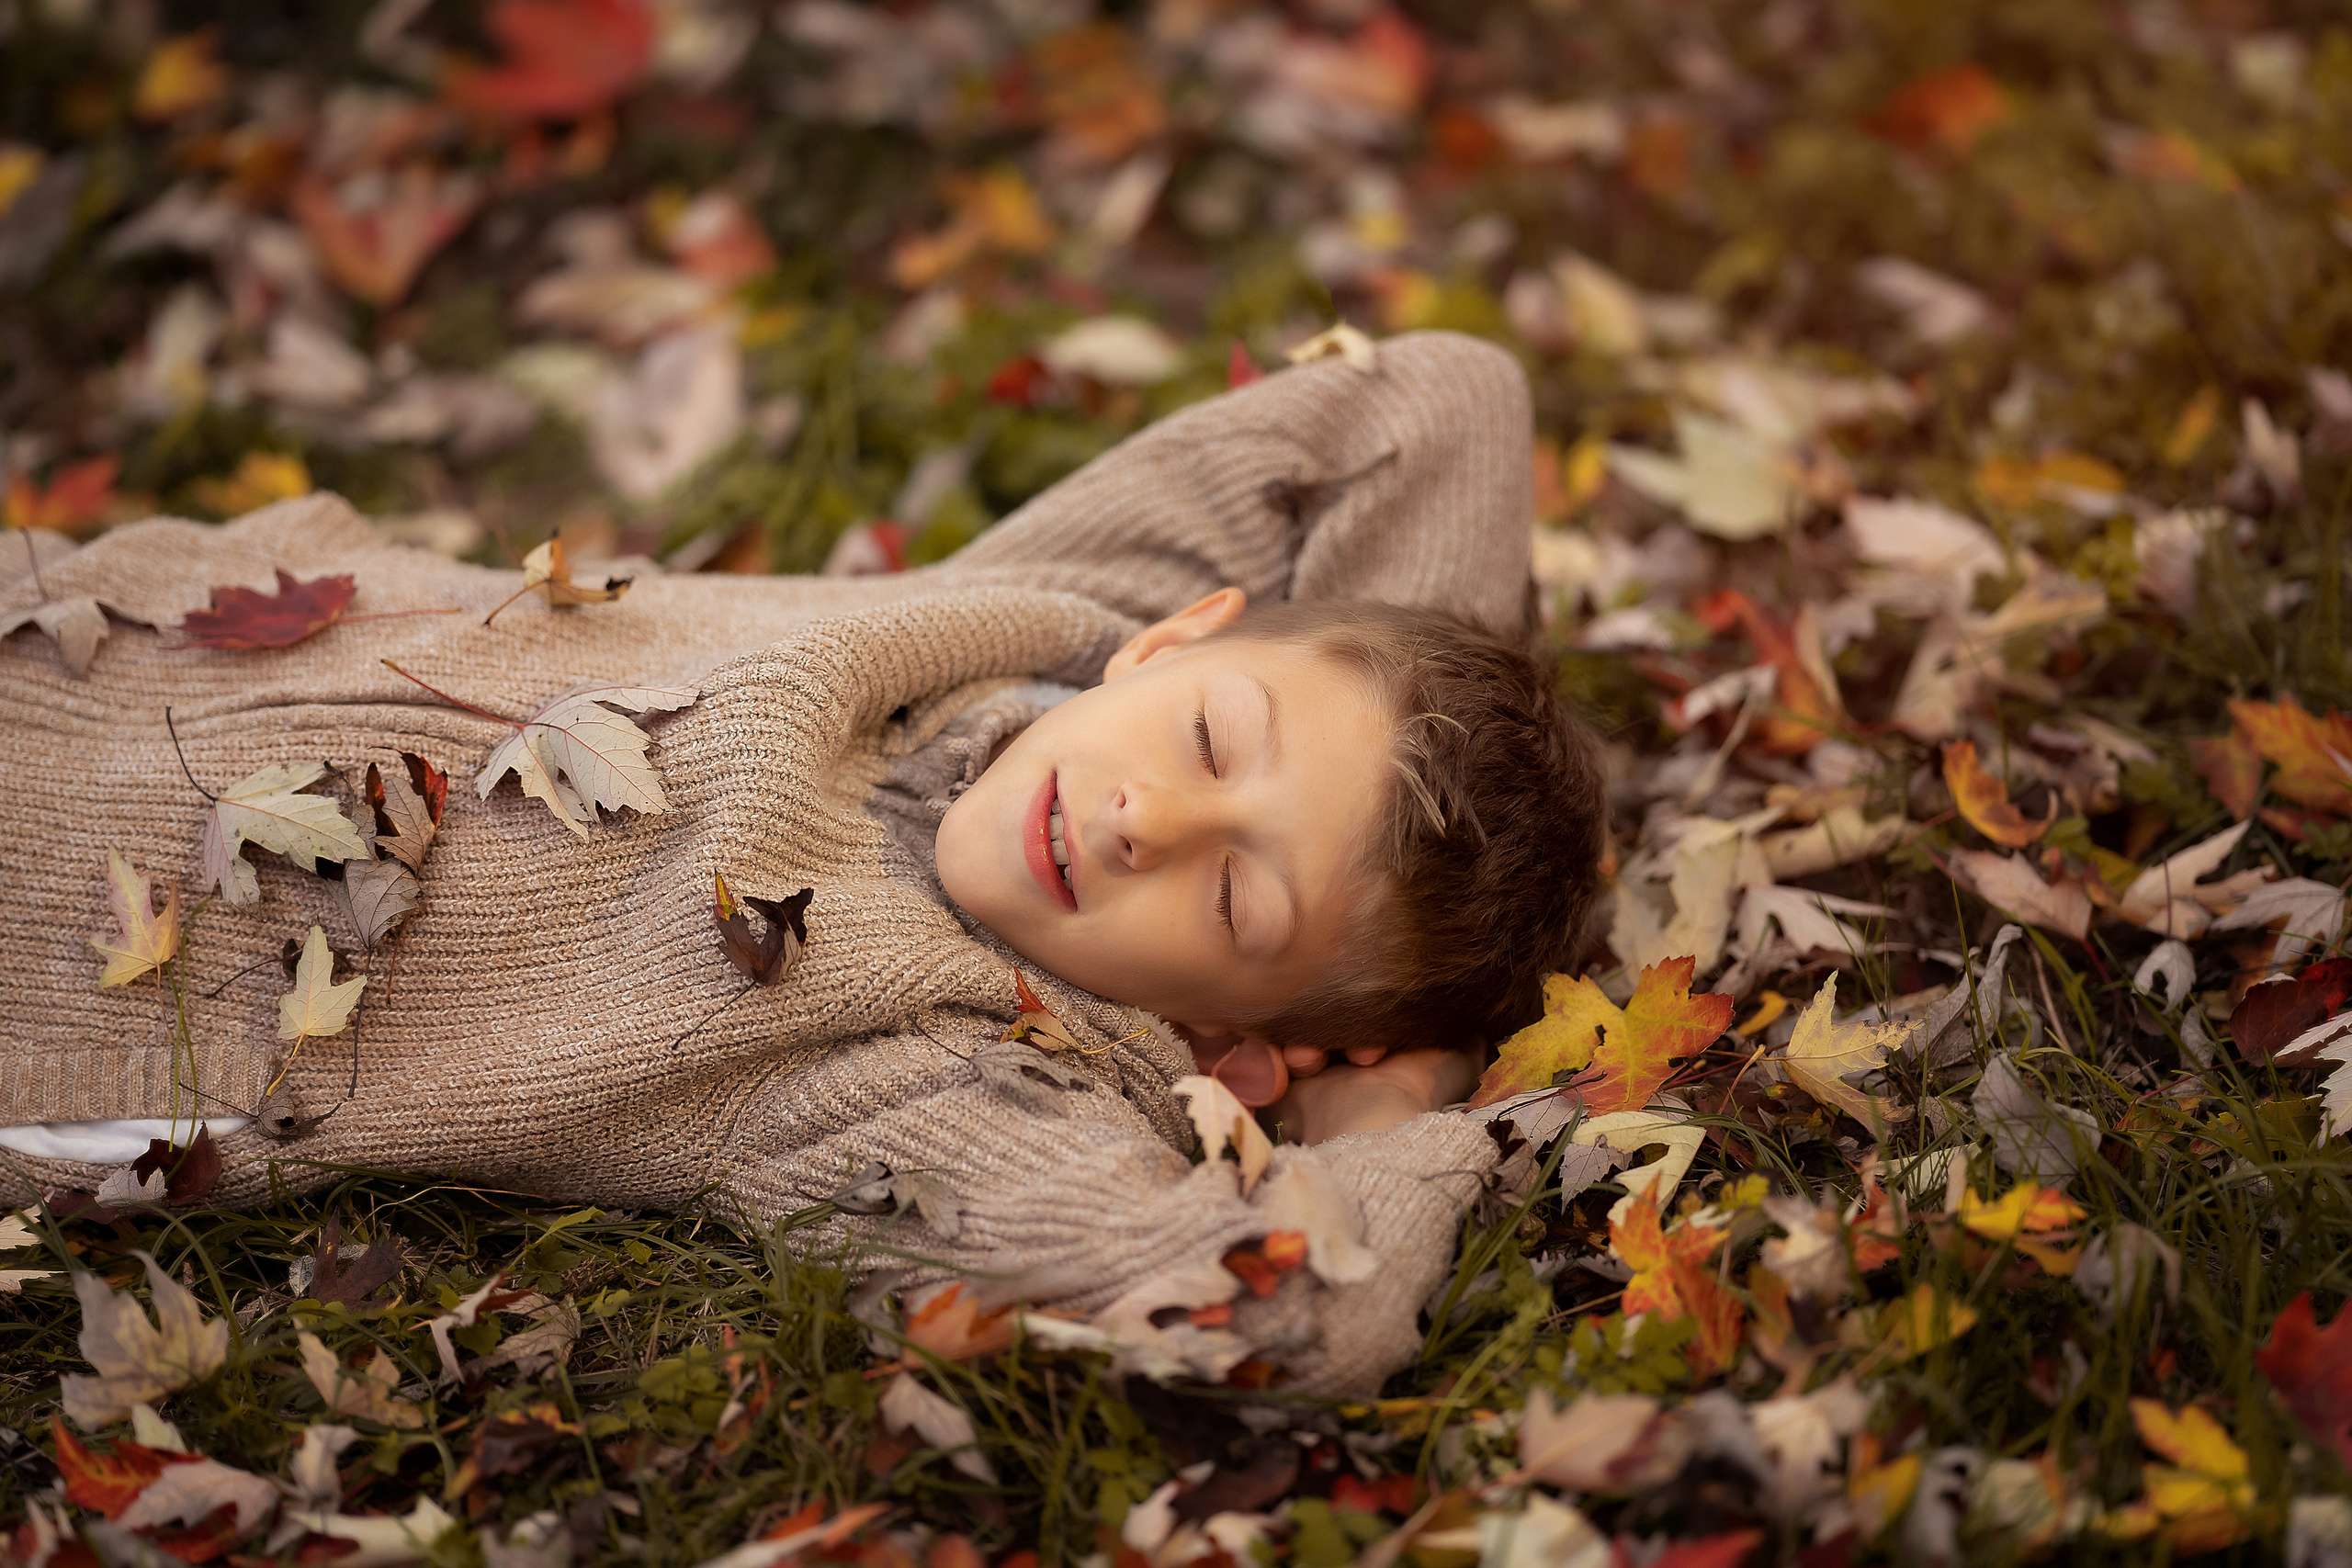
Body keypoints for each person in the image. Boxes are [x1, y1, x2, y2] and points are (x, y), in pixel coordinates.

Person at [0, 331, 1603, 1395]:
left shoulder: (935, 1078)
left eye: (1236, 896)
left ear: (1244, 1053)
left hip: (71, 968)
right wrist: (1428, 779)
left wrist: (1397, 1102)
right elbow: (1440, 403)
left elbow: (1282, 1312)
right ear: (1179, 640)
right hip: (83, 631)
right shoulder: (1044, 626)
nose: (1147, 822)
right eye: (1210, 744)